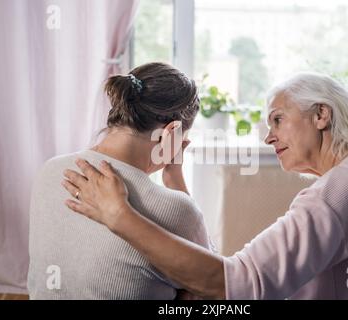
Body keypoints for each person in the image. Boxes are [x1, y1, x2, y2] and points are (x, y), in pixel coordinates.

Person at [62, 73, 348, 299]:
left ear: (321, 115)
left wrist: (119, 216)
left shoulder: (347, 186)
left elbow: (239, 282)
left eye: (277, 120)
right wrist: (174, 177)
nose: (268, 138)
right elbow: (241, 273)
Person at [28, 62, 211, 299]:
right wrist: (175, 178)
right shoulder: (176, 209)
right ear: (172, 133)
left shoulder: (50, 171)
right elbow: (214, 280)